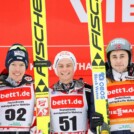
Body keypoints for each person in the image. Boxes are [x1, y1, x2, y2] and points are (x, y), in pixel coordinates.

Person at [49, 51, 104, 134]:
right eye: (61, 66)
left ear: (74, 67)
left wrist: (95, 127)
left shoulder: (87, 90)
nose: (65, 69)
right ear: (55, 68)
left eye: (68, 65)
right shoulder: (48, 92)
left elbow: (95, 120)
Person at [0, 44, 35, 134]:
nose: (17, 69)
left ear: (26, 66)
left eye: (21, 65)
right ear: (7, 65)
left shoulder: (33, 86)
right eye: (13, 64)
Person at [106, 38, 134, 134]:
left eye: (122, 56)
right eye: (114, 57)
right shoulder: (100, 82)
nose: (118, 61)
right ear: (109, 59)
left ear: (129, 57)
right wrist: (95, 123)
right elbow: (94, 118)